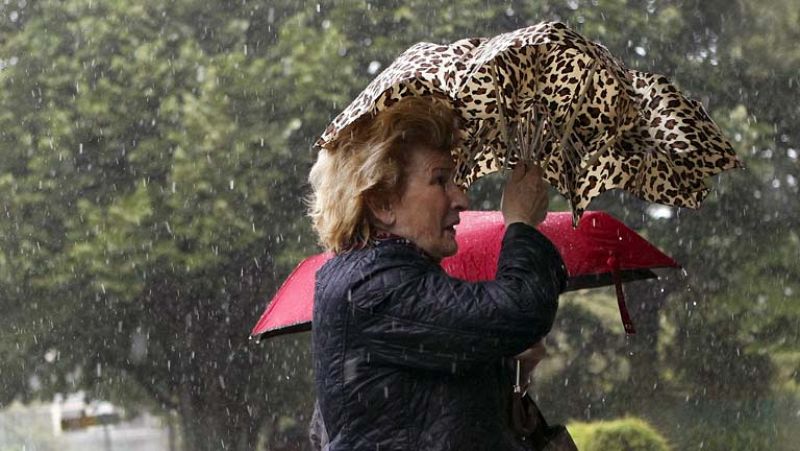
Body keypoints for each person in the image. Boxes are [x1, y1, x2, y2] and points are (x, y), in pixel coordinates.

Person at [308, 96, 567, 450]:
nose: (461, 199)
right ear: (383, 203)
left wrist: (512, 369)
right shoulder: (374, 287)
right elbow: (520, 309)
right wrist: (521, 224)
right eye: (441, 180)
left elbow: (446, 418)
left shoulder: (388, 280)